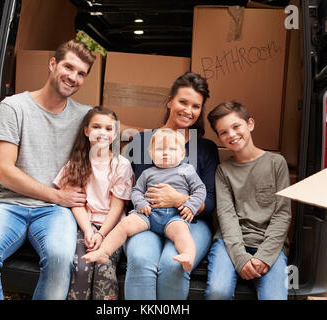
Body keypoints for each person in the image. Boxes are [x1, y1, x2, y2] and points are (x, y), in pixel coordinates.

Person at [0, 40, 97, 300]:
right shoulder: (14, 107)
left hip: (54, 213)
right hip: (9, 204)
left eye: (81, 73)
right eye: (68, 67)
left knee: (61, 257)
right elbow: (2, 171)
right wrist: (57, 195)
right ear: (52, 64)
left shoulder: (85, 117)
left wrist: (166, 133)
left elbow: (118, 127)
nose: (73, 77)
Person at [121, 72, 220, 299]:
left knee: (173, 264)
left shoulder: (205, 149)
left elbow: (211, 202)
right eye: (183, 102)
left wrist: (179, 200)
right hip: (148, 218)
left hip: (190, 221)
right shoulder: (143, 141)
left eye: (196, 106)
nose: (188, 110)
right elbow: (133, 190)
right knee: (141, 259)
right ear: (169, 102)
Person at [83, 128, 206, 273]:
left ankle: (188, 255)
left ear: (182, 154)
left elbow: (200, 190)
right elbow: (136, 191)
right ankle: (104, 252)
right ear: (151, 154)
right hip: (148, 215)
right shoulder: (148, 173)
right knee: (125, 224)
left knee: (182, 232)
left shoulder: (187, 170)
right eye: (160, 149)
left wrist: (191, 205)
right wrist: (141, 203)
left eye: (172, 149)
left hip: (174, 216)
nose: (165, 153)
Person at [204, 101, 292, 300]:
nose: (232, 135)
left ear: (250, 124)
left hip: (269, 244)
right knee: (218, 291)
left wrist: (264, 257)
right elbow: (226, 215)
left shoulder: (276, 163)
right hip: (230, 243)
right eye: (223, 132)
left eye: (236, 126)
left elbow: (283, 214)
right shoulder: (223, 171)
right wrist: (241, 258)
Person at [52, 106, 134, 300]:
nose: (102, 133)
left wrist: (102, 233)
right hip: (84, 225)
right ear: (86, 130)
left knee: (104, 269)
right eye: (96, 127)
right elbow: (75, 202)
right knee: (81, 267)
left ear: (115, 134)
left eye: (108, 128)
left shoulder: (121, 165)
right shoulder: (76, 163)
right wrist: (89, 230)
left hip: (112, 228)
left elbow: (118, 206)